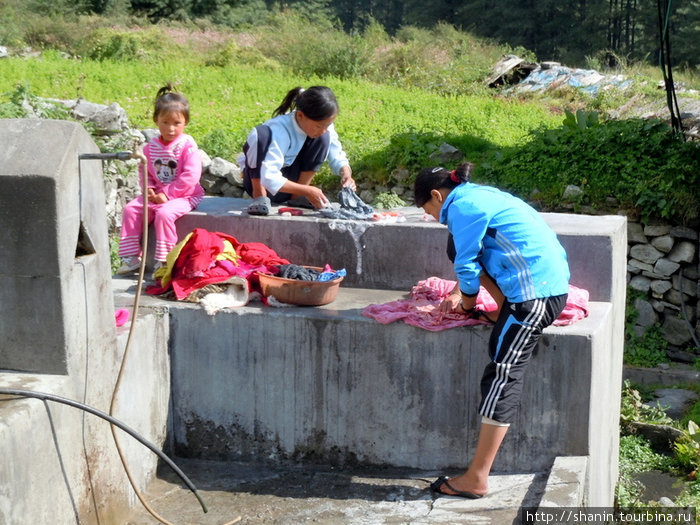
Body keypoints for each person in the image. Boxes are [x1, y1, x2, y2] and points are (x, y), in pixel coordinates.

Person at [414, 162, 570, 499]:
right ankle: (502, 309)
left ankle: (477, 477)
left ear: (437, 196)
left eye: (428, 209)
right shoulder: (476, 196)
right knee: (456, 247)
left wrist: (466, 303)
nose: (431, 216)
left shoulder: (461, 207)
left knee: (502, 373)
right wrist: (462, 292)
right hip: (536, 285)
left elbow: (468, 265)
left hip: (536, 297)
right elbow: (466, 255)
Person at [117, 83, 204, 276]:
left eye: (177, 123)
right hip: (156, 194)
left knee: (165, 214)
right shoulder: (150, 148)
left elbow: (190, 176)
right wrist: (148, 189)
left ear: (185, 123)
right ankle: (130, 258)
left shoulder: (187, 146)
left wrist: (166, 194)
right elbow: (145, 171)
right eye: (165, 122)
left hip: (185, 195)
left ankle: (164, 260)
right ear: (156, 120)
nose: (171, 128)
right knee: (131, 209)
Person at [239, 85, 356, 216]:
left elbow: (336, 152)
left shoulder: (322, 126)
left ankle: (296, 198)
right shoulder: (279, 129)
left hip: (289, 184)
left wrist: (346, 174)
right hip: (263, 182)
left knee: (324, 138)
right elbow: (269, 177)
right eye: (319, 126)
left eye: (327, 125)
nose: (323, 130)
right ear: (300, 116)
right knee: (261, 135)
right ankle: (260, 196)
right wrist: (308, 190)